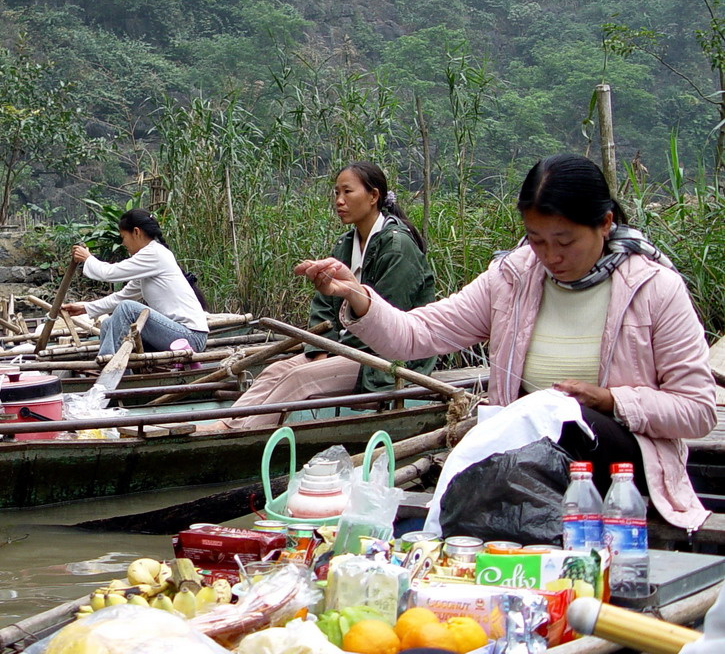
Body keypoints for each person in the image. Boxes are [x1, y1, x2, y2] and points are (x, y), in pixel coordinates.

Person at [296, 153, 716, 531]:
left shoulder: (654, 288)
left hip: (618, 466)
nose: (550, 256)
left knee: (557, 410)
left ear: (605, 223)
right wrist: (358, 297)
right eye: (536, 240)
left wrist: (611, 401)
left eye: (565, 241)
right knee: (523, 436)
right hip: (524, 462)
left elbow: (697, 410)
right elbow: (417, 334)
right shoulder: (514, 277)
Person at [204, 162, 436, 432]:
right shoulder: (346, 244)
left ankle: (239, 435)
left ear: (373, 197)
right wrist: (320, 349)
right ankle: (223, 424)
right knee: (275, 371)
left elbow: (386, 319)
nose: (339, 201)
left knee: (300, 379)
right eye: (336, 193)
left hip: (389, 358)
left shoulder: (397, 247)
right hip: (347, 350)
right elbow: (324, 306)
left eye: (348, 192)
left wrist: (335, 350)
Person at [61, 209, 209, 357]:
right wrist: (85, 308)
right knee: (108, 323)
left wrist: (88, 258)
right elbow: (122, 296)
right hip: (175, 334)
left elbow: (109, 273)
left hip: (191, 338)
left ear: (136, 232)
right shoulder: (149, 261)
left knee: (128, 308)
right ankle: (124, 373)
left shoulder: (154, 253)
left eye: (123, 237)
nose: (123, 243)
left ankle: (106, 362)